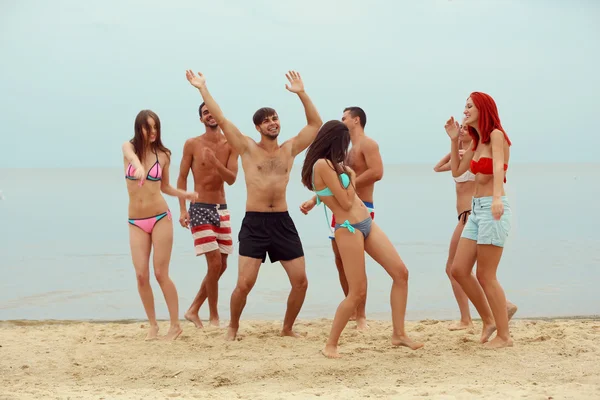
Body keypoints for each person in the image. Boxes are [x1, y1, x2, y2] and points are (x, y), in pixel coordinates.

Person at [184, 69, 323, 341]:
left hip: (282, 221)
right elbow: (221, 119)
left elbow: (315, 125)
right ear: (258, 128)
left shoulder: (290, 148)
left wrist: (301, 93)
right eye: (266, 121)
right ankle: (233, 327)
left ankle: (287, 328)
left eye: (275, 118)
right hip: (255, 223)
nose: (272, 123)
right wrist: (202, 88)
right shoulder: (247, 148)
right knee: (244, 285)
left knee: (301, 282)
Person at [301, 120, 424, 358]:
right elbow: (346, 200)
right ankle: (331, 345)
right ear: (336, 141)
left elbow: (342, 192)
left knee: (401, 273)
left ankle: (399, 333)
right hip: (348, 229)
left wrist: (344, 178)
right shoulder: (322, 165)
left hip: (367, 222)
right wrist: (351, 174)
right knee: (357, 292)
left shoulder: (335, 166)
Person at [300, 106, 382, 330]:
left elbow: (377, 172)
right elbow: (333, 185)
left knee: (358, 263)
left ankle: (362, 315)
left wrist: (351, 188)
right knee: (340, 261)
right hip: (340, 209)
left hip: (361, 206)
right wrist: (315, 199)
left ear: (356, 120)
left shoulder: (368, 144)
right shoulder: (340, 151)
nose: (341, 120)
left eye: (344, 117)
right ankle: (353, 309)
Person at [445, 91, 514, 348]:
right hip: (475, 211)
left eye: (469, 106)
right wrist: (454, 140)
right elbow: (456, 170)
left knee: (486, 275)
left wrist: (497, 198)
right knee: (459, 270)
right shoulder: (475, 141)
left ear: (483, 108)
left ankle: (504, 336)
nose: (465, 110)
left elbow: (498, 168)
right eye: (464, 106)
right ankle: (488, 320)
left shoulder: (496, 135)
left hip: (492, 208)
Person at [123, 109, 199, 341]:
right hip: (135, 220)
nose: (153, 131)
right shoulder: (128, 148)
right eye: (148, 127)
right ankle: (153, 325)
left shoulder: (164, 154)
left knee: (160, 273)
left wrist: (184, 194)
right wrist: (137, 166)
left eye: (156, 127)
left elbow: (165, 187)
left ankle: (175, 325)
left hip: (159, 217)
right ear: (139, 128)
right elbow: (132, 156)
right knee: (141, 275)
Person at [177, 102, 239, 329]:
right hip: (200, 208)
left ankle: (193, 309)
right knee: (214, 264)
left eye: (212, 111)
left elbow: (232, 179)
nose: (210, 115)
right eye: (205, 113)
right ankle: (214, 317)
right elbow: (182, 177)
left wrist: (215, 163)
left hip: (221, 209)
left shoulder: (231, 144)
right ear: (201, 119)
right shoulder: (192, 144)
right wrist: (183, 209)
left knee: (221, 265)